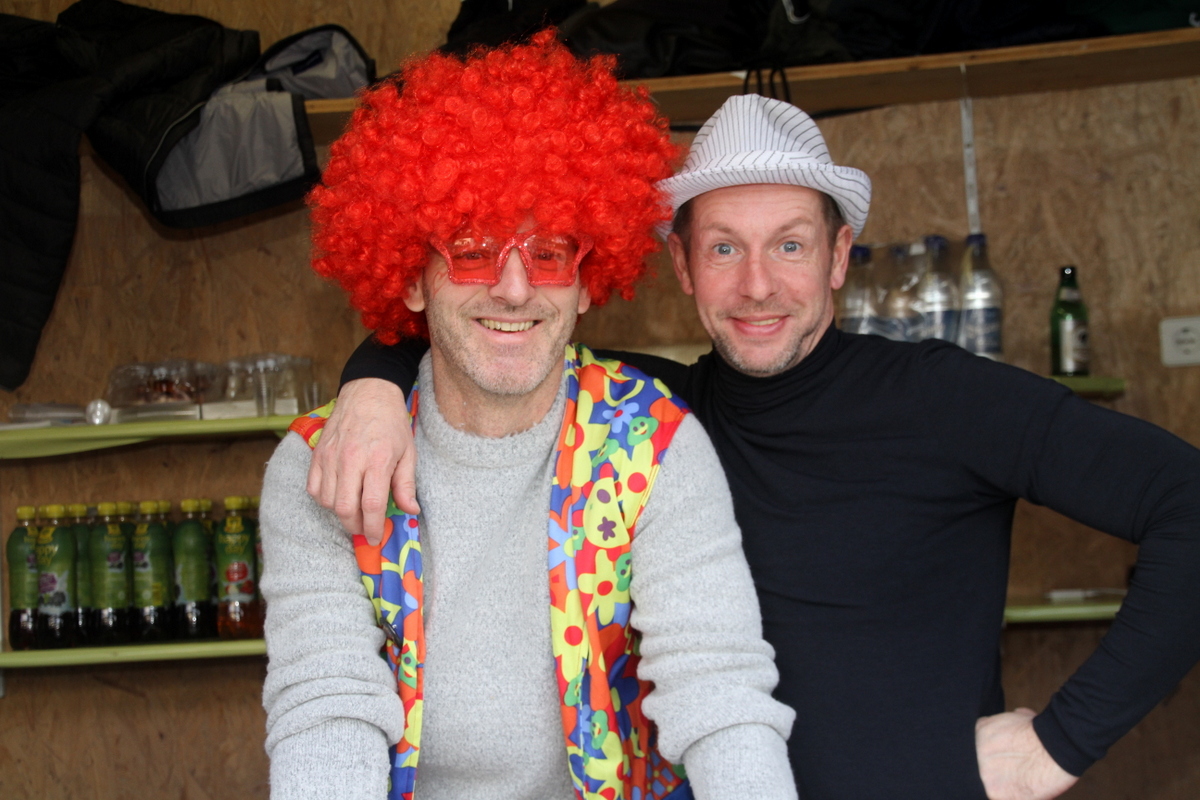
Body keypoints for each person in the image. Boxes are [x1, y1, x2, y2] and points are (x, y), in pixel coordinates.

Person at [310, 90, 1200, 800]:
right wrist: (374, 385)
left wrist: (1059, 744)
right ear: (683, 266)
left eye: (791, 245)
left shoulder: (945, 399)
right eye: (725, 249)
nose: (759, 285)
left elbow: (1186, 503)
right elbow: (491, 332)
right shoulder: (653, 415)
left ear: (839, 257)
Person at [258, 34, 798, 800]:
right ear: (412, 279)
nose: (514, 289)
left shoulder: (653, 444)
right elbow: (325, 706)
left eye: (548, 254)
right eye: (473, 250)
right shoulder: (325, 463)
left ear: (587, 283)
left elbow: (717, 691)